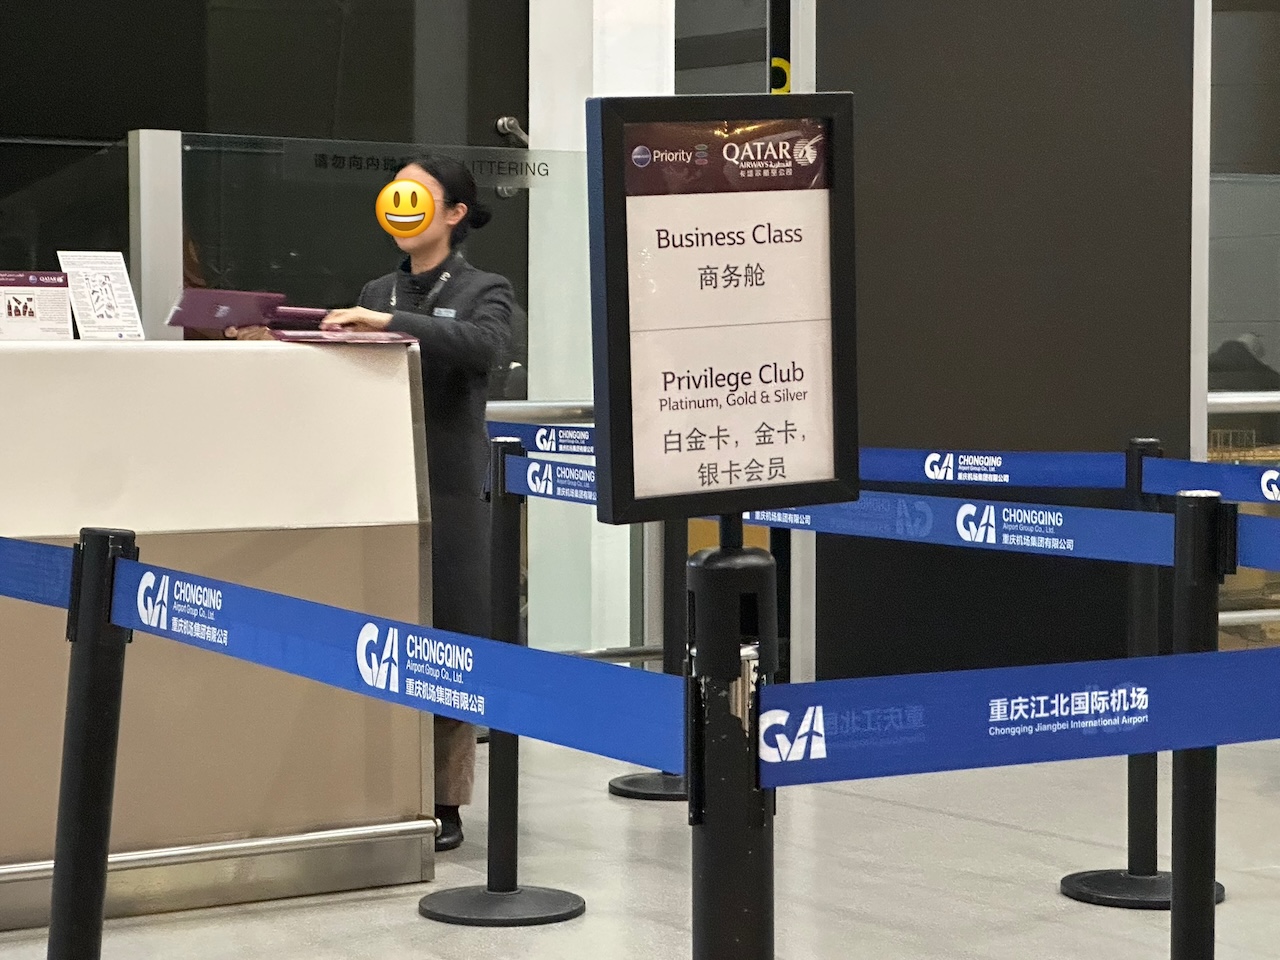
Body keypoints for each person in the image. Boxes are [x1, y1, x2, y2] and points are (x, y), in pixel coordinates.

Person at [234, 154, 514, 851]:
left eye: (419, 196)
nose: (403, 209)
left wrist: (389, 321)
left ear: (455, 212)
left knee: (451, 635)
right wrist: (283, 342)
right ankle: (379, 789)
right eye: (397, 195)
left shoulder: (483, 288)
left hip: (450, 488)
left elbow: (486, 347)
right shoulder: (376, 287)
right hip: (377, 483)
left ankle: (445, 800)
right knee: (382, 631)